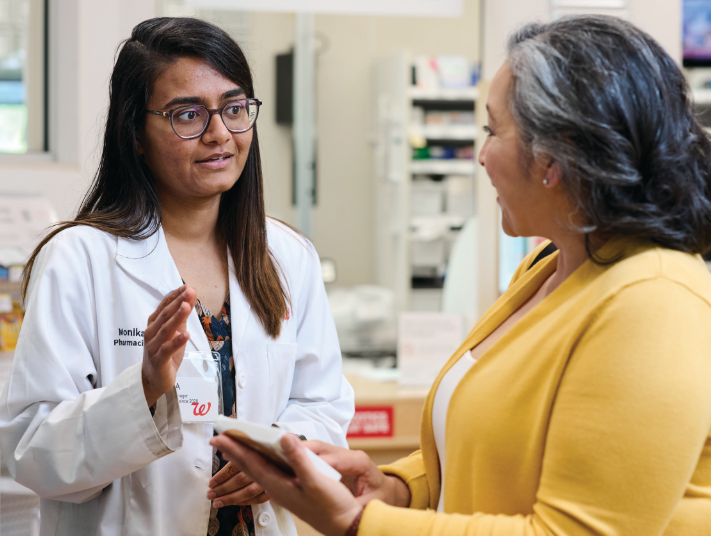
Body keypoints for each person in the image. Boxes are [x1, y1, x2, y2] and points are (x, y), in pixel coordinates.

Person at [211, 15, 711, 536]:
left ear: (554, 156)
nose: (481, 155)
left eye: (492, 130)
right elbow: (497, 448)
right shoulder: (549, 267)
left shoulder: (656, 299)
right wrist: (400, 488)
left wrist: (359, 523)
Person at [0, 17, 354, 536]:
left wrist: (280, 455)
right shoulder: (78, 258)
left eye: (234, 109)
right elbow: (30, 453)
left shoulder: (287, 256)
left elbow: (323, 405)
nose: (218, 134)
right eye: (187, 114)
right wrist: (142, 390)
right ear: (135, 134)